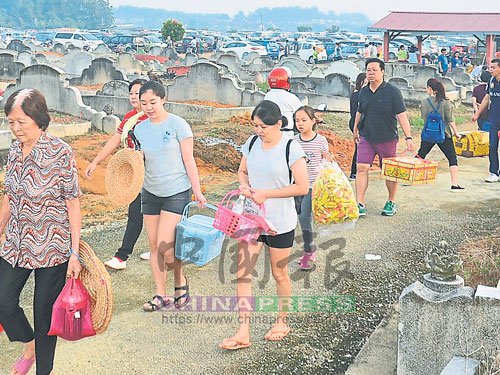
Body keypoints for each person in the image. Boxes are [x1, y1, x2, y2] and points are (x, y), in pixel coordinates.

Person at [0, 89, 82, 375]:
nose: (15, 128)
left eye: (21, 121)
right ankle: (29, 343)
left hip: (52, 247)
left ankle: (42, 370)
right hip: (15, 244)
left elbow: (73, 204)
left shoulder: (60, 152)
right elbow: (9, 196)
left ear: (38, 118)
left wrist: (74, 252)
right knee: (4, 301)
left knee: (44, 316)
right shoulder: (13, 150)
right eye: (10, 122)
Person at [219, 100, 308, 350]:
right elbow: (242, 171)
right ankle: (243, 331)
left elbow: (302, 187)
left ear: (278, 123)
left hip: (279, 222)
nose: (259, 131)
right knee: (243, 273)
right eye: (255, 125)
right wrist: (244, 186)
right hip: (250, 219)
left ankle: (282, 321)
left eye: (264, 126)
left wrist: (266, 194)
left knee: (279, 273)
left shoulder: (291, 148)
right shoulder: (252, 142)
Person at [133, 80, 206, 311]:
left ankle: (180, 279)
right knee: (154, 245)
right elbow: (139, 160)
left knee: (166, 246)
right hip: (150, 190)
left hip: (176, 190)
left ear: (163, 99)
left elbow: (189, 159)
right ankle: (160, 295)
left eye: (153, 102)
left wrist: (197, 190)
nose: (148, 107)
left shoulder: (178, 125)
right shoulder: (139, 129)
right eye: (144, 103)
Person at [85, 79, 148, 269]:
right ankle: (124, 256)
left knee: (150, 213)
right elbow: (114, 141)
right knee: (137, 212)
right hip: (135, 173)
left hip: (153, 173)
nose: (133, 96)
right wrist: (95, 161)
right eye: (131, 93)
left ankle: (125, 256)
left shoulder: (152, 117)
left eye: (138, 93)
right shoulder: (130, 117)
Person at [352, 58, 414, 217]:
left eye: (374, 70)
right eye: (368, 70)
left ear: (382, 72)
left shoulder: (392, 91)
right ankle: (360, 203)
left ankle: (391, 201)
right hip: (367, 136)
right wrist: (355, 127)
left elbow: (402, 115)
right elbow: (360, 111)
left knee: (389, 171)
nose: (371, 73)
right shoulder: (364, 91)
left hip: (387, 138)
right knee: (361, 168)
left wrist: (408, 137)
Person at [294, 106, 332, 270]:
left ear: (313, 121)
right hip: (296, 186)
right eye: (297, 121)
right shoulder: (294, 141)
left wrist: (329, 159)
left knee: (304, 217)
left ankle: (309, 252)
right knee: (299, 217)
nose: (300, 124)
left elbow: (326, 160)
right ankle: (308, 249)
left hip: (312, 185)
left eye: (304, 120)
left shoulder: (320, 141)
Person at [417, 78, 465, 191]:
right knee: (452, 158)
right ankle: (454, 184)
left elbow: (424, 117)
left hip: (429, 133)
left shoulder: (424, 102)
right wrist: (456, 133)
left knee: (420, 155)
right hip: (444, 134)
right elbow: (451, 120)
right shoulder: (446, 102)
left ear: (430, 88)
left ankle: (410, 177)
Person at [472, 58, 500, 183]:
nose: (490, 69)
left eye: (493, 67)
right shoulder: (491, 81)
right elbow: (485, 99)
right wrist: (477, 114)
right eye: (490, 67)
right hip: (493, 119)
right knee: (492, 146)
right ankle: (494, 172)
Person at [264, 67, 303, 139]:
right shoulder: (290, 97)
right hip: (286, 133)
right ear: (287, 81)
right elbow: (303, 111)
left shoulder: (268, 95)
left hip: (270, 132)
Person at [348, 72, 367, 180]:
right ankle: (354, 171)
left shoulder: (357, 93)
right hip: (357, 123)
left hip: (359, 122)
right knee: (359, 147)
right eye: (365, 83)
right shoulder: (358, 95)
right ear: (360, 83)